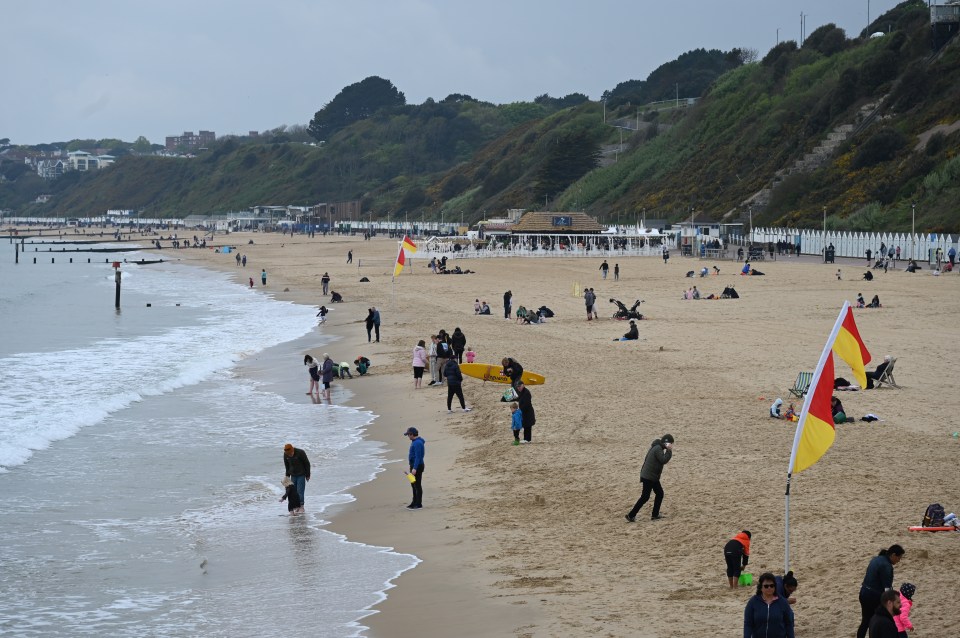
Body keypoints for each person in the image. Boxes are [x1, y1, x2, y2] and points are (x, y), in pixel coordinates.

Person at [857, 544, 906, 638]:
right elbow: (887, 590)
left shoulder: (876, 559)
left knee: (865, 621)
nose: (899, 560)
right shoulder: (887, 566)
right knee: (880, 620)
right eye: (899, 558)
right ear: (893, 555)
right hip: (873, 596)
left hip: (863, 592)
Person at [625, 434, 674, 522]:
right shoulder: (658, 449)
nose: (671, 445)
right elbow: (663, 460)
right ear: (666, 443)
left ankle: (655, 515)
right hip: (649, 477)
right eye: (670, 444)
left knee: (659, 493)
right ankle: (631, 515)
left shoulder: (657, 447)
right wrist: (669, 451)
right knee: (645, 497)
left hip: (652, 476)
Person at [743, 572, 795, 638]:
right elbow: (748, 623)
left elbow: (789, 624)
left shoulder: (782, 602)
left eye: (772, 585)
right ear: (760, 587)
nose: (769, 588)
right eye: (766, 586)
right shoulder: (753, 602)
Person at [283, 443, 310, 513]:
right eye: (288, 454)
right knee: (293, 493)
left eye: (290, 453)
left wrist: (308, 475)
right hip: (293, 475)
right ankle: (296, 506)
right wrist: (287, 477)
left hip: (301, 474)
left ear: (293, 450)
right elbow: (287, 466)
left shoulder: (300, 452)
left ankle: (301, 507)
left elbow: (307, 463)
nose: (290, 455)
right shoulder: (285, 455)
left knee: (300, 491)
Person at [404, 427, 425, 509]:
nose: (408, 436)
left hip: (417, 466)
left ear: (412, 434)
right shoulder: (415, 442)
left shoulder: (417, 443)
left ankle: (418, 504)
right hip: (414, 466)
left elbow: (418, 457)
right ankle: (414, 502)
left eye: (408, 435)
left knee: (417, 485)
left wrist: (414, 468)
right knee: (413, 484)